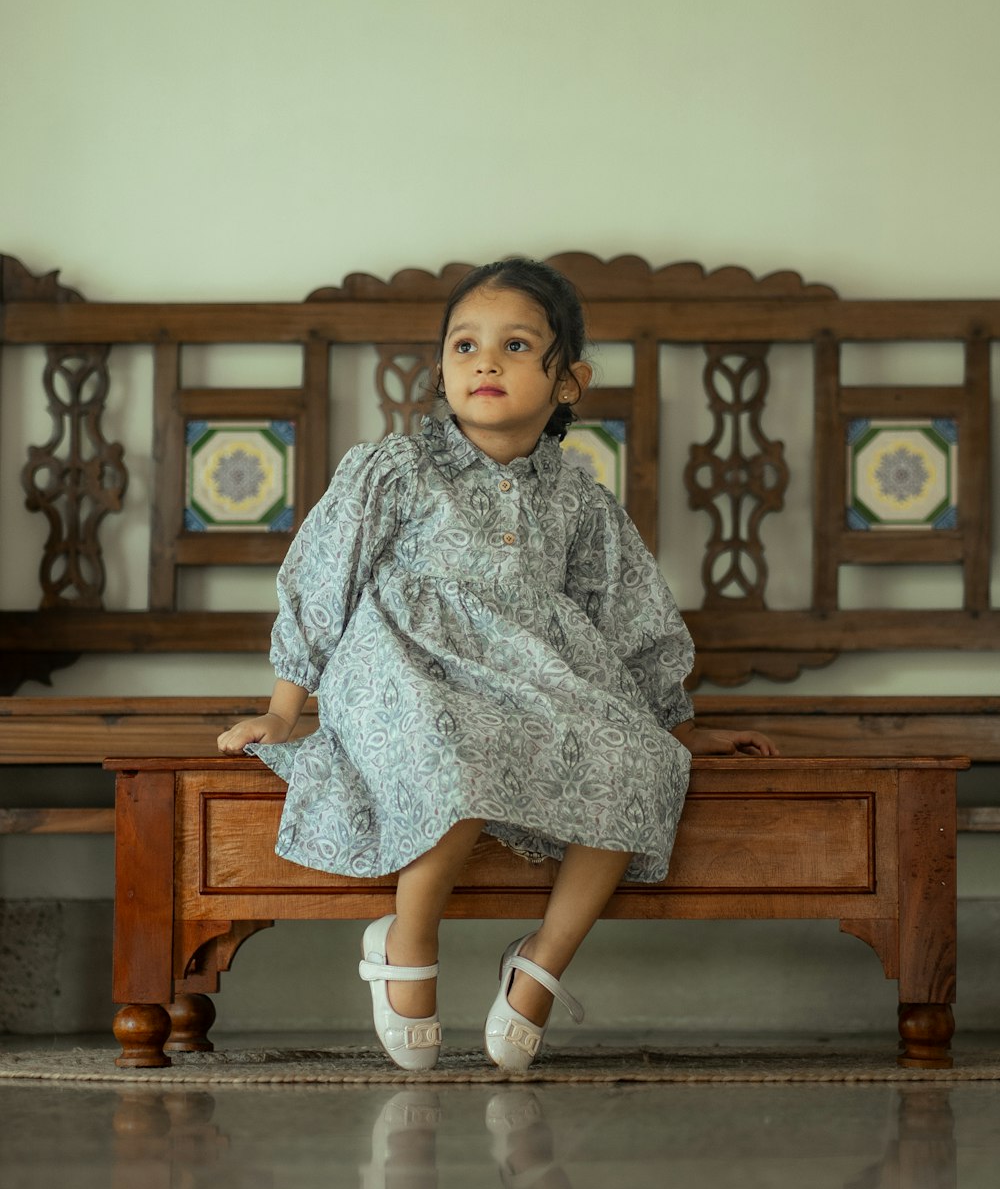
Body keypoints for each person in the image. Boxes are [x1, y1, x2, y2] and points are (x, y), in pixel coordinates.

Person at [218, 257, 778, 1073]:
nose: (485, 362)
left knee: (639, 759)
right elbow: (322, 576)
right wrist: (283, 707)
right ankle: (407, 935)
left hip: (535, 670)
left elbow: (629, 612)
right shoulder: (396, 470)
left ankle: (543, 963)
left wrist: (675, 724)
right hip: (409, 664)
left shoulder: (578, 497)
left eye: (517, 345)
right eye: (465, 346)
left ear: (570, 381)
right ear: (440, 371)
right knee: (457, 746)